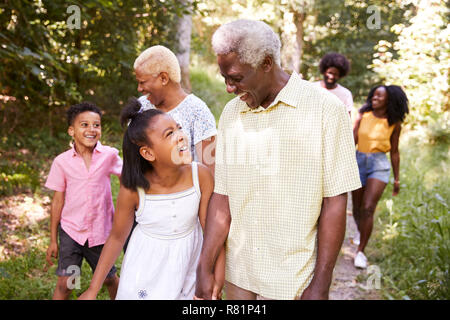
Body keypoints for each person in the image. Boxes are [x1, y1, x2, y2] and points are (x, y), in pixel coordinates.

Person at [194, 19, 361, 300]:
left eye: (236, 78)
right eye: (224, 78)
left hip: (293, 278)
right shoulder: (232, 114)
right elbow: (222, 197)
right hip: (239, 273)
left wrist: (320, 284)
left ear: (267, 63)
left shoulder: (326, 110)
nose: (228, 88)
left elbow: (335, 201)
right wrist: (204, 265)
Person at [78, 98, 223, 300]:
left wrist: (215, 276)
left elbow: (212, 232)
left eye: (178, 128)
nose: (181, 136)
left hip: (188, 266)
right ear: (148, 153)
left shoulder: (201, 176)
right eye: (170, 134)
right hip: (145, 269)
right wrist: (93, 288)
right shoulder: (134, 189)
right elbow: (117, 237)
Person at [45, 102, 122, 300]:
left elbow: (129, 181)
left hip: (100, 232)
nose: (91, 129)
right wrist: (53, 239)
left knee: (108, 278)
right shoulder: (62, 162)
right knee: (67, 283)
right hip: (72, 233)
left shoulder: (109, 156)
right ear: (72, 130)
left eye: (96, 125)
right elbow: (57, 201)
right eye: (84, 125)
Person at [134, 45, 217, 174]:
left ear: (163, 78)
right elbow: (132, 159)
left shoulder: (197, 111)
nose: (139, 89)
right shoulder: (141, 107)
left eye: (143, 82)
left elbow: (210, 169)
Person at [351, 85, 409, 269]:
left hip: (379, 165)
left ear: (388, 100)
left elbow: (395, 152)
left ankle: (360, 252)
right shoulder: (363, 115)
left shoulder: (394, 123)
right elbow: (353, 139)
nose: (374, 98)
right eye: (373, 94)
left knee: (368, 208)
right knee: (357, 208)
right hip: (358, 161)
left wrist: (397, 179)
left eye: (379, 96)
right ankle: (361, 231)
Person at [315, 52, 353, 117]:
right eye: (330, 73)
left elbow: (347, 118)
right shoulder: (313, 88)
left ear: (340, 76)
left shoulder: (345, 94)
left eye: (335, 74)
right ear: (324, 72)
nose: (331, 76)